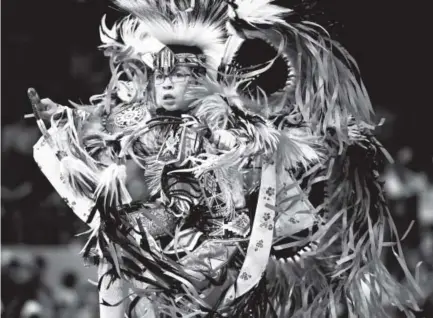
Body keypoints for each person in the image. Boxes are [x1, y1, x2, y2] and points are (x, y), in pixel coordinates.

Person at [29, 0, 422, 317]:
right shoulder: (141, 114)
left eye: (177, 78)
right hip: (168, 232)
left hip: (217, 234)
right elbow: (96, 121)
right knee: (114, 244)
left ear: (198, 78)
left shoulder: (223, 115)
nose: (166, 85)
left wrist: (307, 136)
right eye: (160, 79)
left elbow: (276, 143)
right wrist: (57, 116)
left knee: (162, 264)